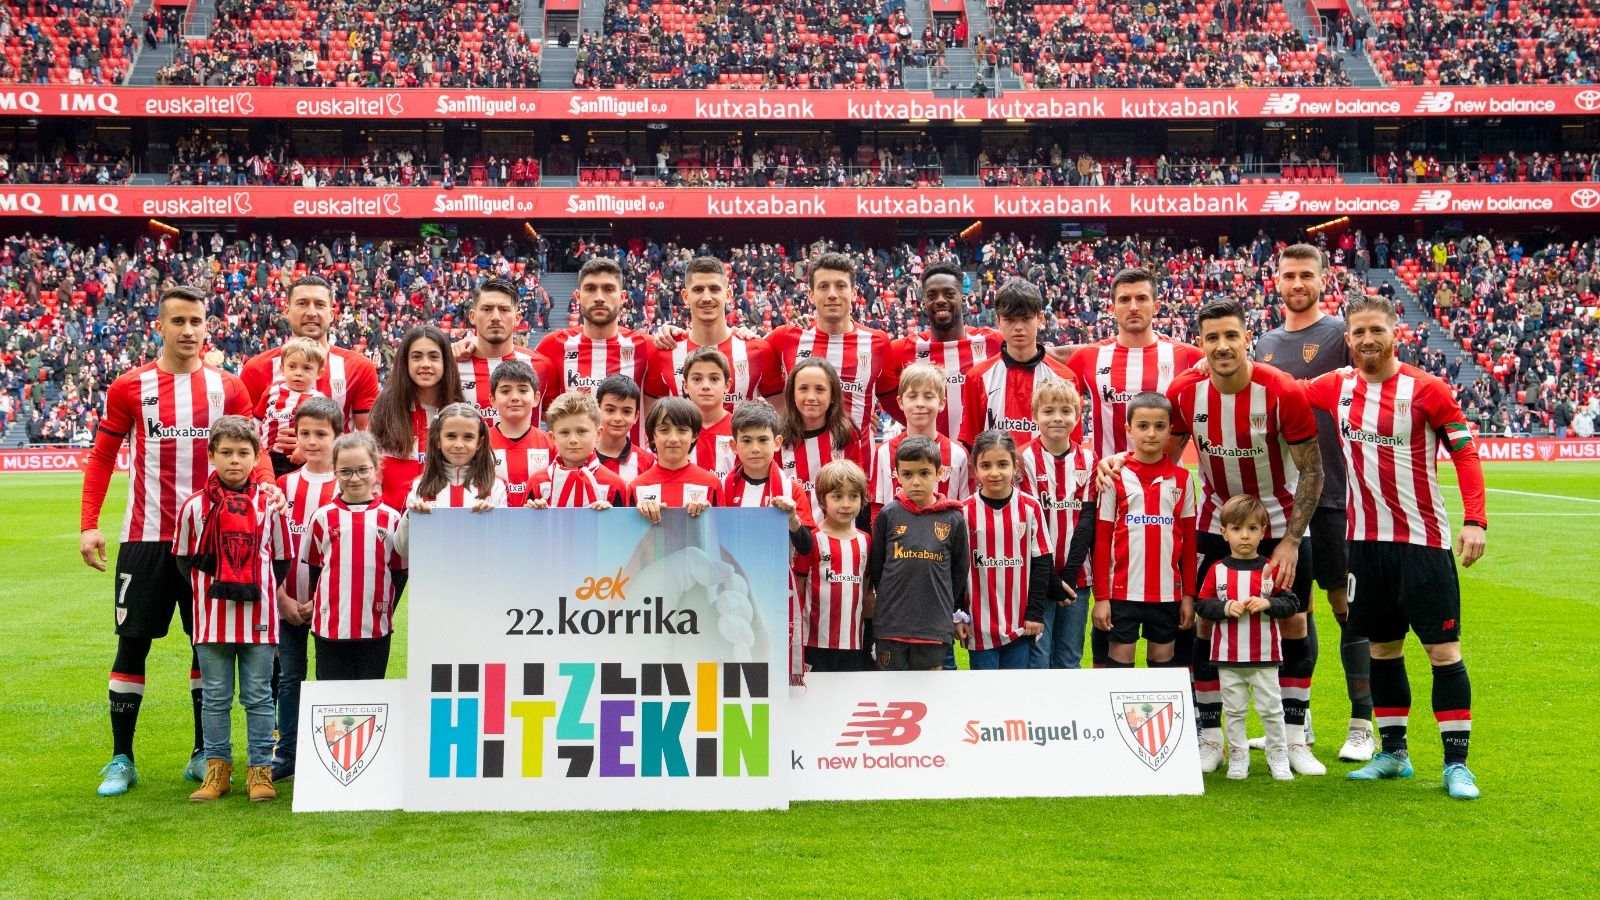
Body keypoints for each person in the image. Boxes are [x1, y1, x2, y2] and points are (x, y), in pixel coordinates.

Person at [82, 285, 276, 798]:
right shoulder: (130, 386)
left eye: (196, 321)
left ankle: (202, 754)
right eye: (179, 321)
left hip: (212, 541)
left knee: (206, 643)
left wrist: (268, 488)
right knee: (132, 642)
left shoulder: (227, 387)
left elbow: (254, 450)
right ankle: (122, 757)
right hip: (146, 537)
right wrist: (89, 523)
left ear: (207, 326)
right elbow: (102, 457)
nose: (188, 331)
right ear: (160, 327)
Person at [1126, 298, 1326, 775]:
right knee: (1205, 622)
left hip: (1280, 523)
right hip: (1216, 522)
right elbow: (1161, 456)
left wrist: (1291, 542)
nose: (1221, 346)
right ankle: (1211, 737)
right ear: (1200, 343)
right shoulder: (1184, 392)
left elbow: (1313, 470)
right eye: (1212, 338)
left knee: (1293, 623)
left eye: (1231, 335)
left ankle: (1294, 737)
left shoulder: (1280, 391)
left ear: (1247, 338)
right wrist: (1120, 461)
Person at [1302, 296, 1488, 800]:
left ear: (1394, 333)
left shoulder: (1427, 390)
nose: (1367, 340)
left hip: (1423, 543)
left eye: (1376, 330)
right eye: (1358, 332)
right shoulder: (1336, 386)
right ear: (1348, 339)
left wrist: (1475, 520)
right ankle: (1393, 755)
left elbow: (1466, 455)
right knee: (1382, 650)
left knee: (1442, 651)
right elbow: (1282, 389)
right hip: (1365, 545)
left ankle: (1456, 765)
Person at [1256, 243, 1374, 763]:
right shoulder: (1264, 342)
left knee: (1347, 607)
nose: (1298, 283)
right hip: (1282, 498)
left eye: (1307, 274)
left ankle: (1362, 723)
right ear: (1276, 281)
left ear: (1324, 279)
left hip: (1336, 495)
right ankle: (1296, 724)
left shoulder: (1341, 336)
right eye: (1289, 275)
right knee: (1294, 610)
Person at [1058, 268, 1203, 667]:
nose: (1133, 306)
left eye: (1141, 298)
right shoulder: (1090, 357)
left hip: (1167, 493)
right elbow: (1054, 392)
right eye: (1125, 299)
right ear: (1112, 307)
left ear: (1157, 304)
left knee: (1166, 622)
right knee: (1107, 609)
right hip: (1107, 492)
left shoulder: (1186, 357)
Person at [173, 415, 292, 802]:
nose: (235, 460)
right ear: (211, 455)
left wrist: (253, 587)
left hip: (258, 616)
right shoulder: (194, 507)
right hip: (212, 619)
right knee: (215, 697)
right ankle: (217, 771)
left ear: (256, 456)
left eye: (243, 453)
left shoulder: (269, 504)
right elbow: (184, 559)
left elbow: (281, 559)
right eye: (226, 452)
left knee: (258, 696)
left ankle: (260, 771)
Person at [1195, 494, 1300, 781]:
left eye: (1252, 528)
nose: (1244, 535)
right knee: (1234, 711)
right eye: (1237, 529)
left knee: (1272, 710)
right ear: (1224, 532)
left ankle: (1278, 755)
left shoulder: (1270, 569)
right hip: (1228, 658)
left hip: (1265, 657)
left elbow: (1291, 603)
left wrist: (1269, 603)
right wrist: (1225, 607)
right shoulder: (1217, 570)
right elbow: (1202, 604)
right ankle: (1238, 757)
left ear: (1263, 532)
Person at [1093, 392, 1196, 670]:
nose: (1151, 433)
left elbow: (1189, 543)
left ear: (1170, 430)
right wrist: (1101, 598)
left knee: (1163, 661)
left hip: (1167, 594)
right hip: (1122, 592)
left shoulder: (1183, 479)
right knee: (1120, 659)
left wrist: (1188, 596)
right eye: (1142, 426)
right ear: (1129, 429)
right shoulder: (1114, 476)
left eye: (1159, 426)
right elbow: (1102, 541)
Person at [765, 252, 901, 463]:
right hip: (798, 465)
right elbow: (750, 361)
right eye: (823, 286)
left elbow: (890, 397)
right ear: (811, 295)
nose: (832, 294)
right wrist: (742, 332)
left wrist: (865, 415)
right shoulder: (786, 337)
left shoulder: (878, 342)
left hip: (858, 465)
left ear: (854, 293)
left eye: (840, 286)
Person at [271, 396, 342, 783]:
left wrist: (322, 598)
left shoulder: (345, 485)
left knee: (331, 679)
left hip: (330, 604)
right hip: (287, 602)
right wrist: (282, 597)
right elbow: (271, 546)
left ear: (337, 436)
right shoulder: (284, 485)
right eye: (305, 433)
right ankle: (288, 752)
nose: (312, 441)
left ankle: (330, 754)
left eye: (321, 434)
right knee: (289, 678)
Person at [720, 401, 816, 683]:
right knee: (734, 656)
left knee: (772, 659)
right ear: (733, 446)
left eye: (762, 440)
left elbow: (807, 547)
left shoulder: (791, 489)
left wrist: (793, 520)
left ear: (777, 443)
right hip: (733, 588)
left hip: (775, 588)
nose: (755, 448)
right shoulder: (723, 487)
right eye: (746, 441)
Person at [301, 431, 408, 681]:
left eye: (362, 470)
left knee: (370, 695)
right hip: (331, 628)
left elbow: (399, 572)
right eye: (346, 471)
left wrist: (385, 609)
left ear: (376, 469)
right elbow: (316, 569)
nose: (355, 478)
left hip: (375, 628)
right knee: (332, 694)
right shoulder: (322, 517)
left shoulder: (392, 519)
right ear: (335, 472)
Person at [240, 274, 380, 456]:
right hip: (272, 470)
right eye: (302, 303)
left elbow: (369, 436)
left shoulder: (360, 368)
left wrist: (318, 443)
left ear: (331, 314)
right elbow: (242, 435)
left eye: (320, 305)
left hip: (333, 471)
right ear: (287, 311)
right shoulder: (256, 368)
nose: (311, 312)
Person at [864, 435, 970, 670]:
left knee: (930, 690)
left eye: (924, 473)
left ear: (939, 473)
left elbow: (959, 572)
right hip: (891, 625)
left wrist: (941, 603)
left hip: (933, 628)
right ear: (897, 475)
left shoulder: (953, 519)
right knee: (890, 688)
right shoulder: (888, 515)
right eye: (907, 474)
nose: (916, 482)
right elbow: (878, 568)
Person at [1019, 379, 1096, 669]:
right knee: (1038, 660)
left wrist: (1070, 578)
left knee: (1069, 659)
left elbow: (1086, 521)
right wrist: (1051, 581)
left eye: (1066, 411)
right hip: (1038, 577)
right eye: (1048, 411)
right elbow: (1030, 525)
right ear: (1035, 415)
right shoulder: (1024, 458)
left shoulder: (1088, 459)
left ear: (1077, 416)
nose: (1057, 418)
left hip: (1078, 577)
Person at [533, 257, 655, 437]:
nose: (599, 298)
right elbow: (543, 412)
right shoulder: (552, 345)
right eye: (590, 289)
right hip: (573, 455)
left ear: (622, 297)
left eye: (608, 289)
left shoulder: (647, 346)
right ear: (578, 296)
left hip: (632, 454)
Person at [962, 430, 1052, 670]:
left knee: (1014, 688)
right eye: (986, 465)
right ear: (975, 468)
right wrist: (958, 614)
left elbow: (1042, 564)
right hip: (979, 626)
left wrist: (1035, 613)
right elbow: (956, 570)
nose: (994, 472)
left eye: (1002, 464)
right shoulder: (964, 512)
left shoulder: (1030, 507)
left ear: (1015, 466)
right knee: (985, 689)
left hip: (1020, 624)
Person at [647, 256, 782, 410]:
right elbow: (652, 418)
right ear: (685, 296)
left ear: (728, 294)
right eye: (698, 290)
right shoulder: (665, 350)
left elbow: (780, 415)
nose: (706, 298)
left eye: (714, 289)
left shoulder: (759, 350)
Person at [888, 261, 1002, 439]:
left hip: (980, 454)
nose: (940, 300)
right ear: (924, 302)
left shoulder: (993, 341)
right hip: (928, 454)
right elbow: (872, 387)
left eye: (949, 294)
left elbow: (1039, 355)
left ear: (963, 299)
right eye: (932, 295)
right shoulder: (902, 349)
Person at [958, 278, 1073, 448]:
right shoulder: (977, 377)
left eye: (1026, 318)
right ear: (998, 321)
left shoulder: (1065, 379)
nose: (1018, 327)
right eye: (1010, 319)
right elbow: (971, 444)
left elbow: (1073, 447)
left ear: (1040, 319)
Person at [369, 325, 464, 510]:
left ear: (446, 362)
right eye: (417, 357)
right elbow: (371, 471)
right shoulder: (384, 410)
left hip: (442, 519)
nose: (425, 364)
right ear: (405, 362)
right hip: (391, 519)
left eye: (434, 357)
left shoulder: (458, 412)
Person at [794, 460, 871, 673]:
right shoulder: (812, 540)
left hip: (853, 641)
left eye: (853, 496)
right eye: (837, 496)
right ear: (822, 500)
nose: (846, 504)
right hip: (815, 641)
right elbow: (800, 585)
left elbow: (865, 587)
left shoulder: (865, 541)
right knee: (815, 691)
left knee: (849, 692)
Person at [870, 361, 971, 518]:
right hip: (896, 535)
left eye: (928, 397)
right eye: (912, 396)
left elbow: (964, 508)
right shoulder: (884, 452)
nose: (920, 404)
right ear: (900, 402)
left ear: (942, 403)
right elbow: (877, 509)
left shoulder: (959, 454)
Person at [454, 278, 556, 430]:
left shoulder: (542, 366)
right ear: (472, 317)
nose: (495, 317)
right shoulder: (453, 366)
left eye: (504, 309)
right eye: (487, 309)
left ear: (517, 318)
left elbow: (557, 420)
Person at [779, 356, 869, 514]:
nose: (811, 397)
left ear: (833, 395)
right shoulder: (778, 438)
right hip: (790, 527)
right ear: (792, 394)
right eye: (803, 388)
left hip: (836, 527)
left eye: (820, 389)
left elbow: (857, 487)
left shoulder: (846, 433)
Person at [526, 391, 628, 509]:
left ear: (598, 434)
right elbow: (524, 521)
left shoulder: (615, 485)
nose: (573, 440)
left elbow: (625, 521)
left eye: (581, 431)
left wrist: (609, 516)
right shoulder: (537, 482)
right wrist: (535, 514)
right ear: (553, 438)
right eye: (564, 432)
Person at [630, 396, 723, 522]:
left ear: (694, 435)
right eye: (664, 430)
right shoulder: (636, 487)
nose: (673, 438)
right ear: (652, 436)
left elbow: (722, 530)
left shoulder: (712, 484)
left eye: (682, 430)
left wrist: (708, 516)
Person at [255, 337, 328, 478]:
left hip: (296, 459)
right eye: (292, 366)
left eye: (306, 368)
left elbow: (322, 434)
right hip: (265, 456)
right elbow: (257, 421)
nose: (298, 373)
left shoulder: (319, 400)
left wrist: (305, 450)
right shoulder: (272, 391)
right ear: (282, 369)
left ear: (319, 373)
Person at [486, 359, 555, 506]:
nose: (515, 397)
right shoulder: (481, 444)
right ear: (492, 399)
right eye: (505, 391)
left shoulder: (550, 444)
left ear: (536, 398)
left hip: (539, 519)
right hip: (494, 520)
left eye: (523, 390)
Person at [682, 347, 737, 479]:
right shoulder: (675, 431)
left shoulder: (740, 429)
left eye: (714, 379)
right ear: (685, 386)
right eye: (697, 379)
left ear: (727, 385)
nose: (705, 386)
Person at [593, 374, 657, 482]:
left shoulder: (648, 463)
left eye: (626, 411)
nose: (618, 418)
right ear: (598, 411)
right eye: (610, 410)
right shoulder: (581, 457)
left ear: (636, 416)